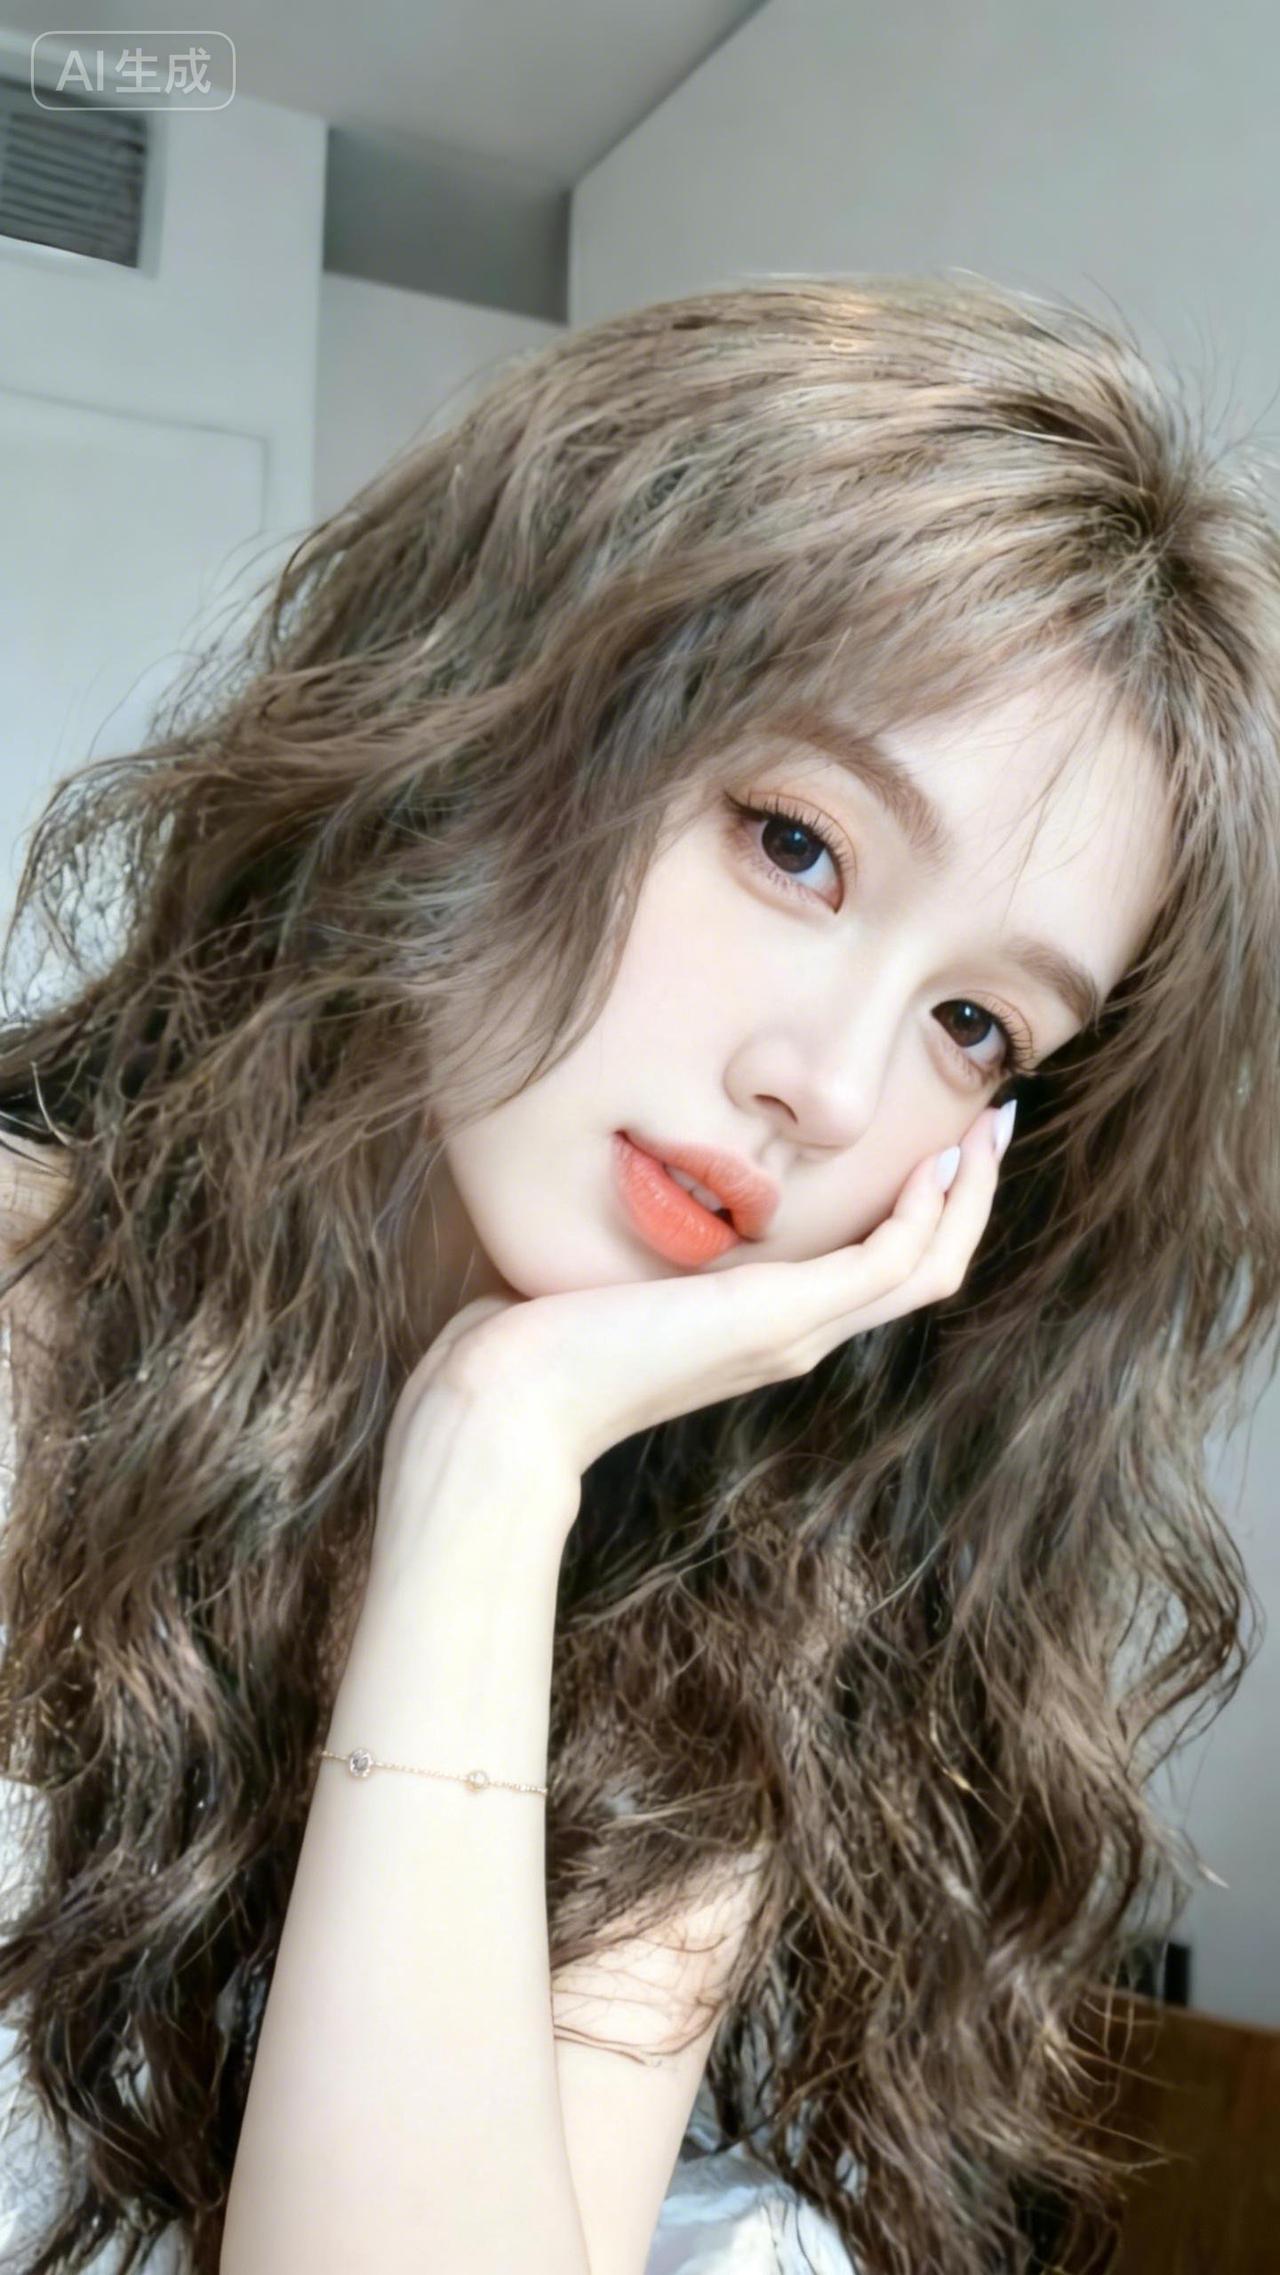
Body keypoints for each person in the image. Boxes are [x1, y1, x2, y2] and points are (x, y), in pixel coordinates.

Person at [0, 270, 1277, 2275]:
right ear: (489, 713)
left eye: (974, 1027)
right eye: (793, 843)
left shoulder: (704, 1624)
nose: (825, 1085)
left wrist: (494, 1454)